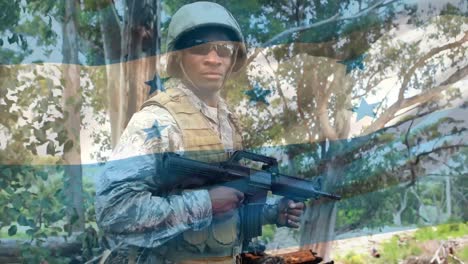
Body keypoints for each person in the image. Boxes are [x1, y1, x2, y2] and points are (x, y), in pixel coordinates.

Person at [95, 2, 304, 263]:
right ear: (179, 57)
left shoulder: (227, 122)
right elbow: (114, 211)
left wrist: (272, 213)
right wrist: (204, 203)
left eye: (224, 50)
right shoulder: (158, 120)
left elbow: (223, 208)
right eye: (200, 49)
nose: (213, 59)